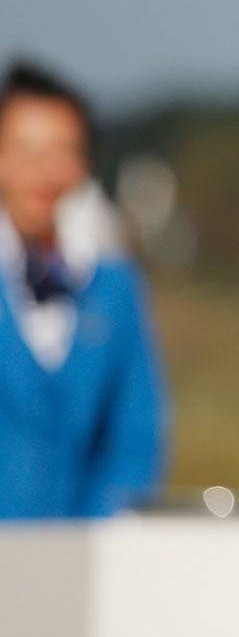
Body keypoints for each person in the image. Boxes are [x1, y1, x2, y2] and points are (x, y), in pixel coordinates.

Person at [0, 61, 166, 518]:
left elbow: (135, 434)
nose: (42, 171)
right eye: (24, 150)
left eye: (61, 151)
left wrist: (99, 534)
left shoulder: (115, 284)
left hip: (80, 560)